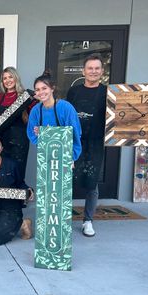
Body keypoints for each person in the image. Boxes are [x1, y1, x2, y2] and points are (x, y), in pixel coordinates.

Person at [66, 54, 107, 237]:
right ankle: (63, 218)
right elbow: (65, 115)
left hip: (96, 142)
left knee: (92, 183)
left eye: (97, 68)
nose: (93, 71)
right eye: (90, 68)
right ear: (84, 71)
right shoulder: (73, 91)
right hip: (74, 142)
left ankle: (88, 220)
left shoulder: (108, 92)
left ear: (102, 72)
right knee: (67, 180)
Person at [27, 71, 82, 162]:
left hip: (66, 155)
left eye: (44, 88)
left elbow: (75, 133)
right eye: (37, 89)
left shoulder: (66, 108)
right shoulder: (35, 111)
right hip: (45, 155)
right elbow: (32, 133)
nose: (41, 92)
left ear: (52, 89)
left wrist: (71, 157)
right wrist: (45, 144)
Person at [0, 67, 36, 181]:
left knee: (18, 172)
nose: (7, 80)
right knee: (4, 173)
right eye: (4, 78)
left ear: (16, 78)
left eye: (10, 77)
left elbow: (35, 116)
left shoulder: (25, 96)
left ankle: (19, 199)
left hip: (20, 141)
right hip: (3, 142)